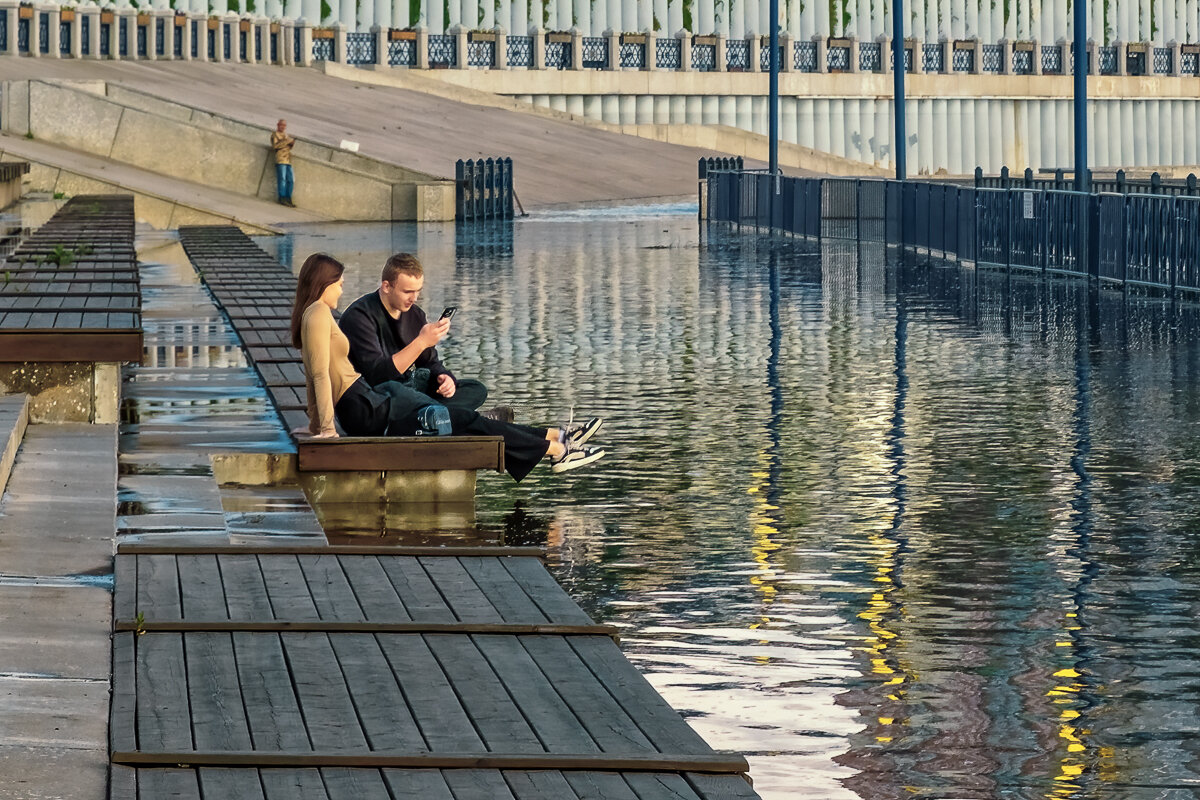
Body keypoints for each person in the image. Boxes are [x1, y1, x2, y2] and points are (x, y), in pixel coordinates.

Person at [290, 253, 606, 479]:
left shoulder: (313, 313)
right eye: (339, 283)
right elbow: (319, 374)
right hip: (371, 407)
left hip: (372, 406)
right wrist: (326, 430)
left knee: (466, 419)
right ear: (324, 283)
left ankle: (556, 441)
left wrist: (316, 424)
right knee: (466, 422)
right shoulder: (327, 314)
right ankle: (556, 447)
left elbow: (316, 371)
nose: (342, 289)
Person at [339, 252, 511, 423]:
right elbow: (378, 375)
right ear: (386, 286)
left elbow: (430, 362)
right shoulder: (360, 316)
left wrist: (444, 378)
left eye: (418, 291)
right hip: (377, 397)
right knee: (396, 390)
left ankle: (439, 415)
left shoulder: (415, 314)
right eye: (407, 292)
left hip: (410, 389)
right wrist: (421, 342)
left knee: (475, 389)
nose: (414, 298)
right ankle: (461, 417)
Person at [271, 119, 295, 207]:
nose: (283, 127)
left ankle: (288, 198)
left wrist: (291, 144)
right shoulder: (274, 135)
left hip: (288, 160)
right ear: (278, 125)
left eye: (284, 125)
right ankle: (282, 197)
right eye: (281, 125)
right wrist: (288, 142)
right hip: (280, 159)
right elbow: (275, 146)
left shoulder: (286, 135)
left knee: (291, 180)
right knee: (282, 179)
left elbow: (288, 147)